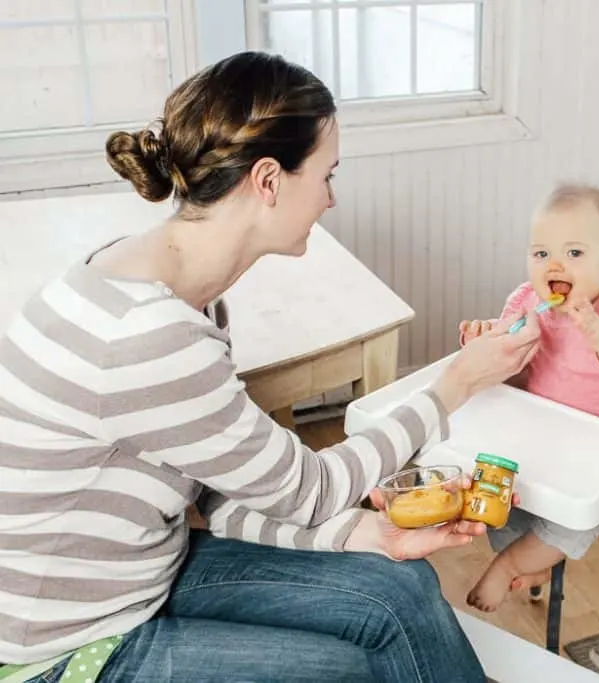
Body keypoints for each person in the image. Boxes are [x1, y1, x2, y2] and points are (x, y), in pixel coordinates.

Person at [0, 52, 541, 682]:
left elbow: (218, 492)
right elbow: (309, 490)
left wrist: (372, 537)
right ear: (268, 179)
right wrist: (457, 382)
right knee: (347, 670)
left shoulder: (171, 291)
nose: (331, 199)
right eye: (326, 175)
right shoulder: (152, 334)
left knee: (401, 589)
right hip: (62, 646)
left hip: (142, 573)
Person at [458, 184, 599, 612]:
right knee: (498, 500)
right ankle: (535, 560)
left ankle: (511, 566)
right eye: (541, 254)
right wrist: (483, 338)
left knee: (567, 525)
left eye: (574, 254)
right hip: (543, 435)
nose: (554, 264)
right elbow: (506, 357)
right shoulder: (529, 305)